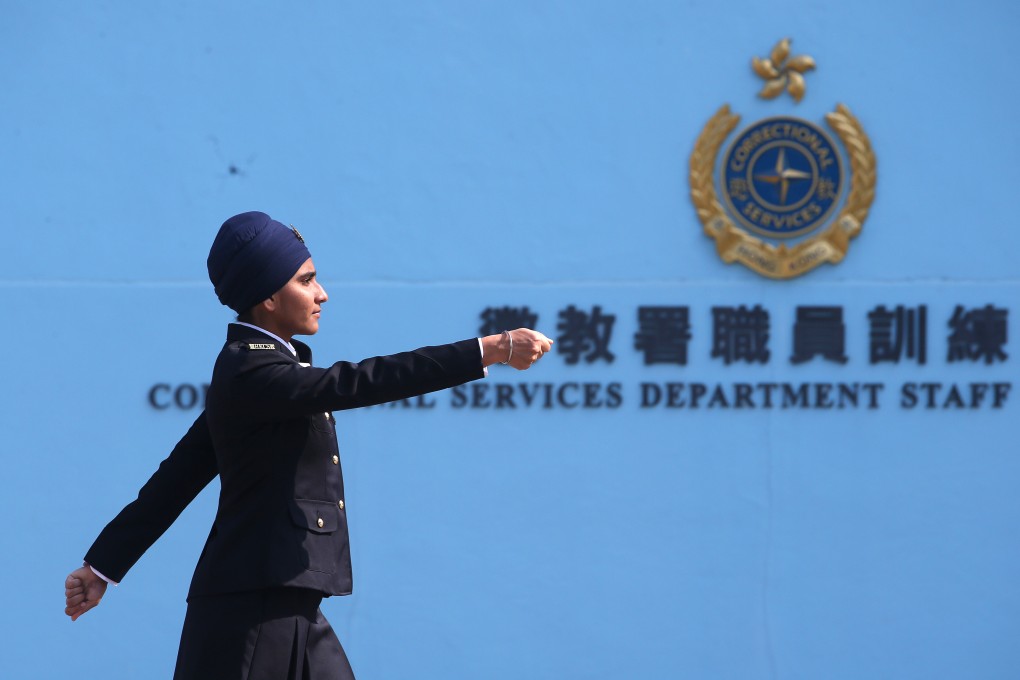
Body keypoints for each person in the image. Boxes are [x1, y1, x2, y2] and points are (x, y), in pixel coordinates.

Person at [64, 211, 553, 679]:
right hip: (250, 615)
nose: (322, 293)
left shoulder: (262, 372)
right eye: (306, 280)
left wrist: (103, 564)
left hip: (287, 604)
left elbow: (176, 479)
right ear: (267, 298)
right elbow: (360, 382)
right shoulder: (250, 370)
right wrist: (487, 349)